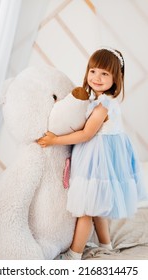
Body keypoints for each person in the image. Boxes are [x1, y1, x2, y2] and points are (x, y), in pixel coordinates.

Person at [37, 47, 147, 260]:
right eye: (93, 71)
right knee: (97, 206)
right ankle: (106, 243)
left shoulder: (104, 105)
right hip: (97, 158)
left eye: (105, 73)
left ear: (116, 79)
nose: (97, 77)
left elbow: (86, 134)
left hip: (97, 161)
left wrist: (55, 140)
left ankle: (74, 254)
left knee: (86, 210)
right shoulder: (96, 101)